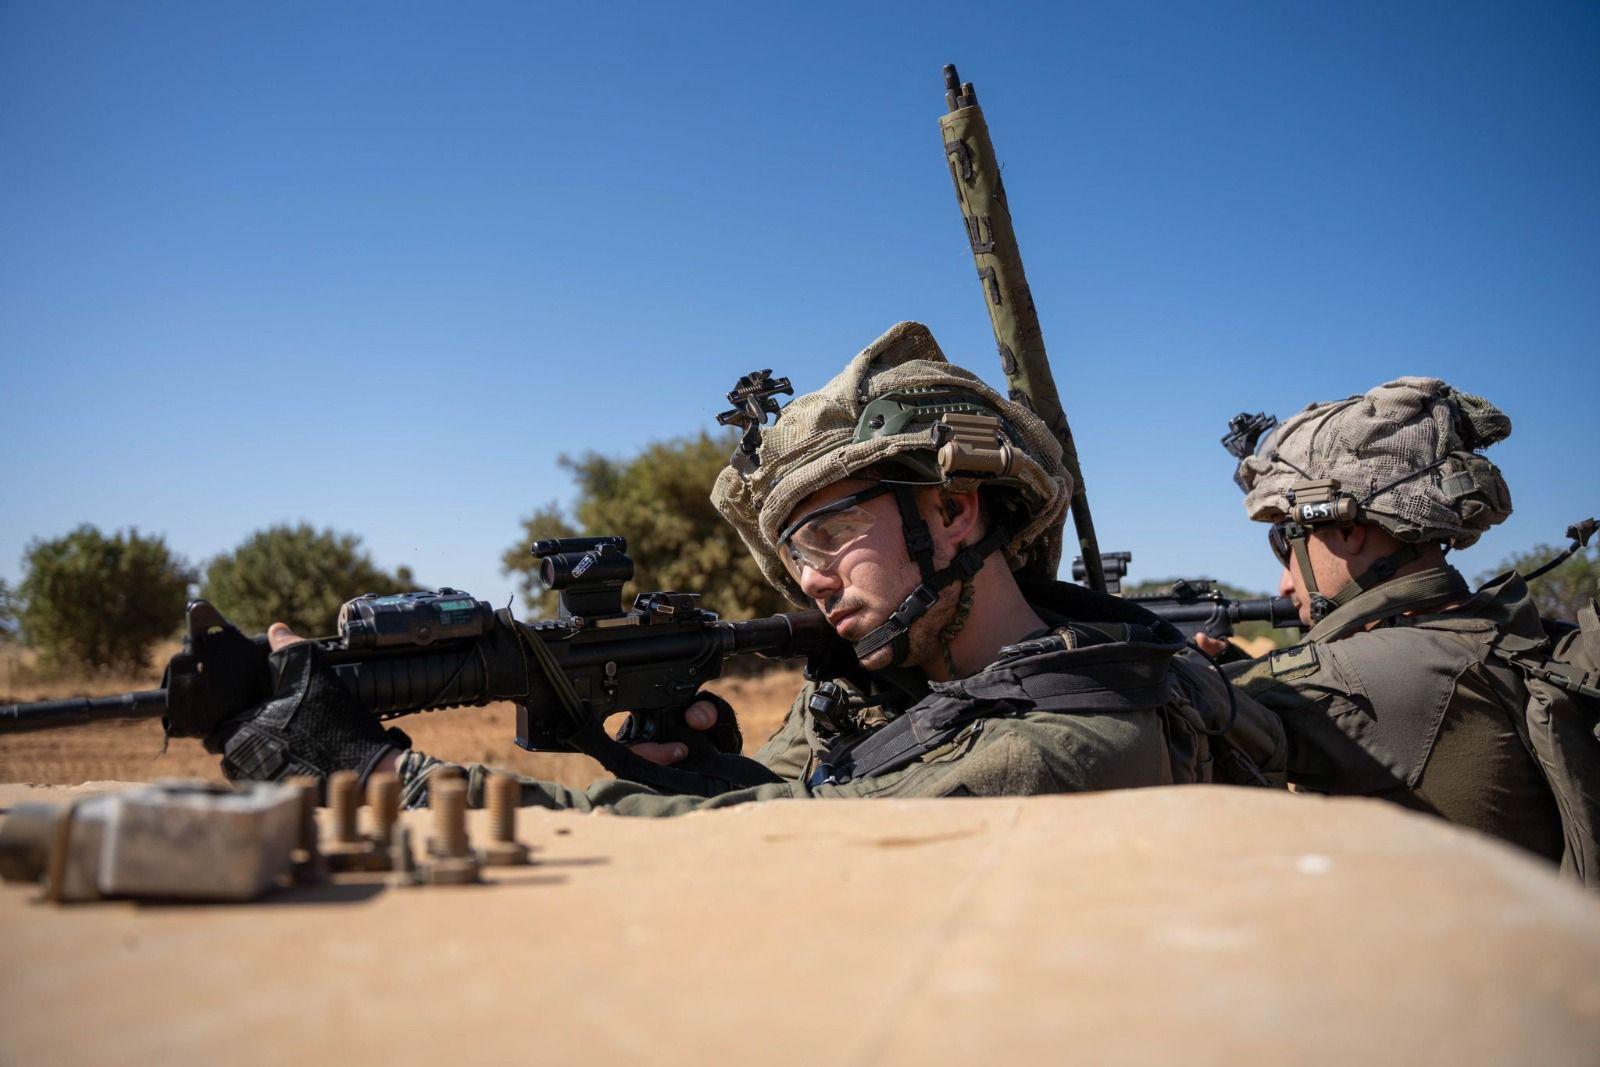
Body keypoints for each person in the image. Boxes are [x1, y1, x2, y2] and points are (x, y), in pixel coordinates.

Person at [211, 322, 1283, 814]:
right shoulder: (914, 691)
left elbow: (746, 860)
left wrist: (378, 781)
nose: (807, 578)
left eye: (826, 535)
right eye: (791, 550)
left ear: (953, 510)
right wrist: (722, 768)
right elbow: (773, 804)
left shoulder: (1071, 741)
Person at [1199, 377, 1564, 861]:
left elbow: (1191, 715)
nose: (1285, 583)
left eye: (1286, 543)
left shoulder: (1357, 681)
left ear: (1349, 529)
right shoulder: (1508, 633)